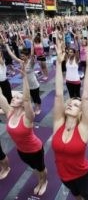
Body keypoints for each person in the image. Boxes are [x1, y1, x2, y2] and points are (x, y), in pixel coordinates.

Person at [52, 33, 88, 200]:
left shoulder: (83, 128)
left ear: (81, 113)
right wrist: (58, 64)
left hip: (81, 175)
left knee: (85, 195)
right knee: (75, 195)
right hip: (62, 175)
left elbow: (85, 97)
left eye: (76, 105)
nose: (70, 104)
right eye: (70, 103)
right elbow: (59, 95)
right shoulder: (58, 123)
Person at [0, 63, 48, 196]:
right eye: (14, 97)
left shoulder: (28, 117)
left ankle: (43, 182)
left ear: (22, 103)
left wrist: (25, 78)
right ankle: (39, 180)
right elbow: (1, 97)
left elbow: (27, 99)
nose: (13, 98)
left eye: (17, 97)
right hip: (21, 151)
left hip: (35, 150)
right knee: (33, 168)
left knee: (41, 168)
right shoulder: (9, 112)